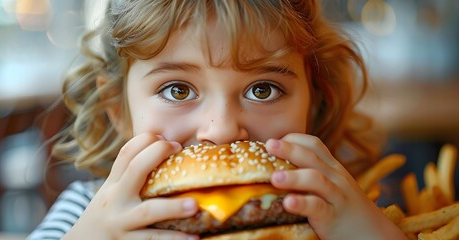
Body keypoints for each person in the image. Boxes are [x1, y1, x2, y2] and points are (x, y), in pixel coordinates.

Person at [28, 0, 408, 239]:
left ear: (315, 102)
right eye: (177, 90)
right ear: (117, 109)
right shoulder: (87, 209)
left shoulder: (340, 211)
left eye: (263, 89)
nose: (223, 129)